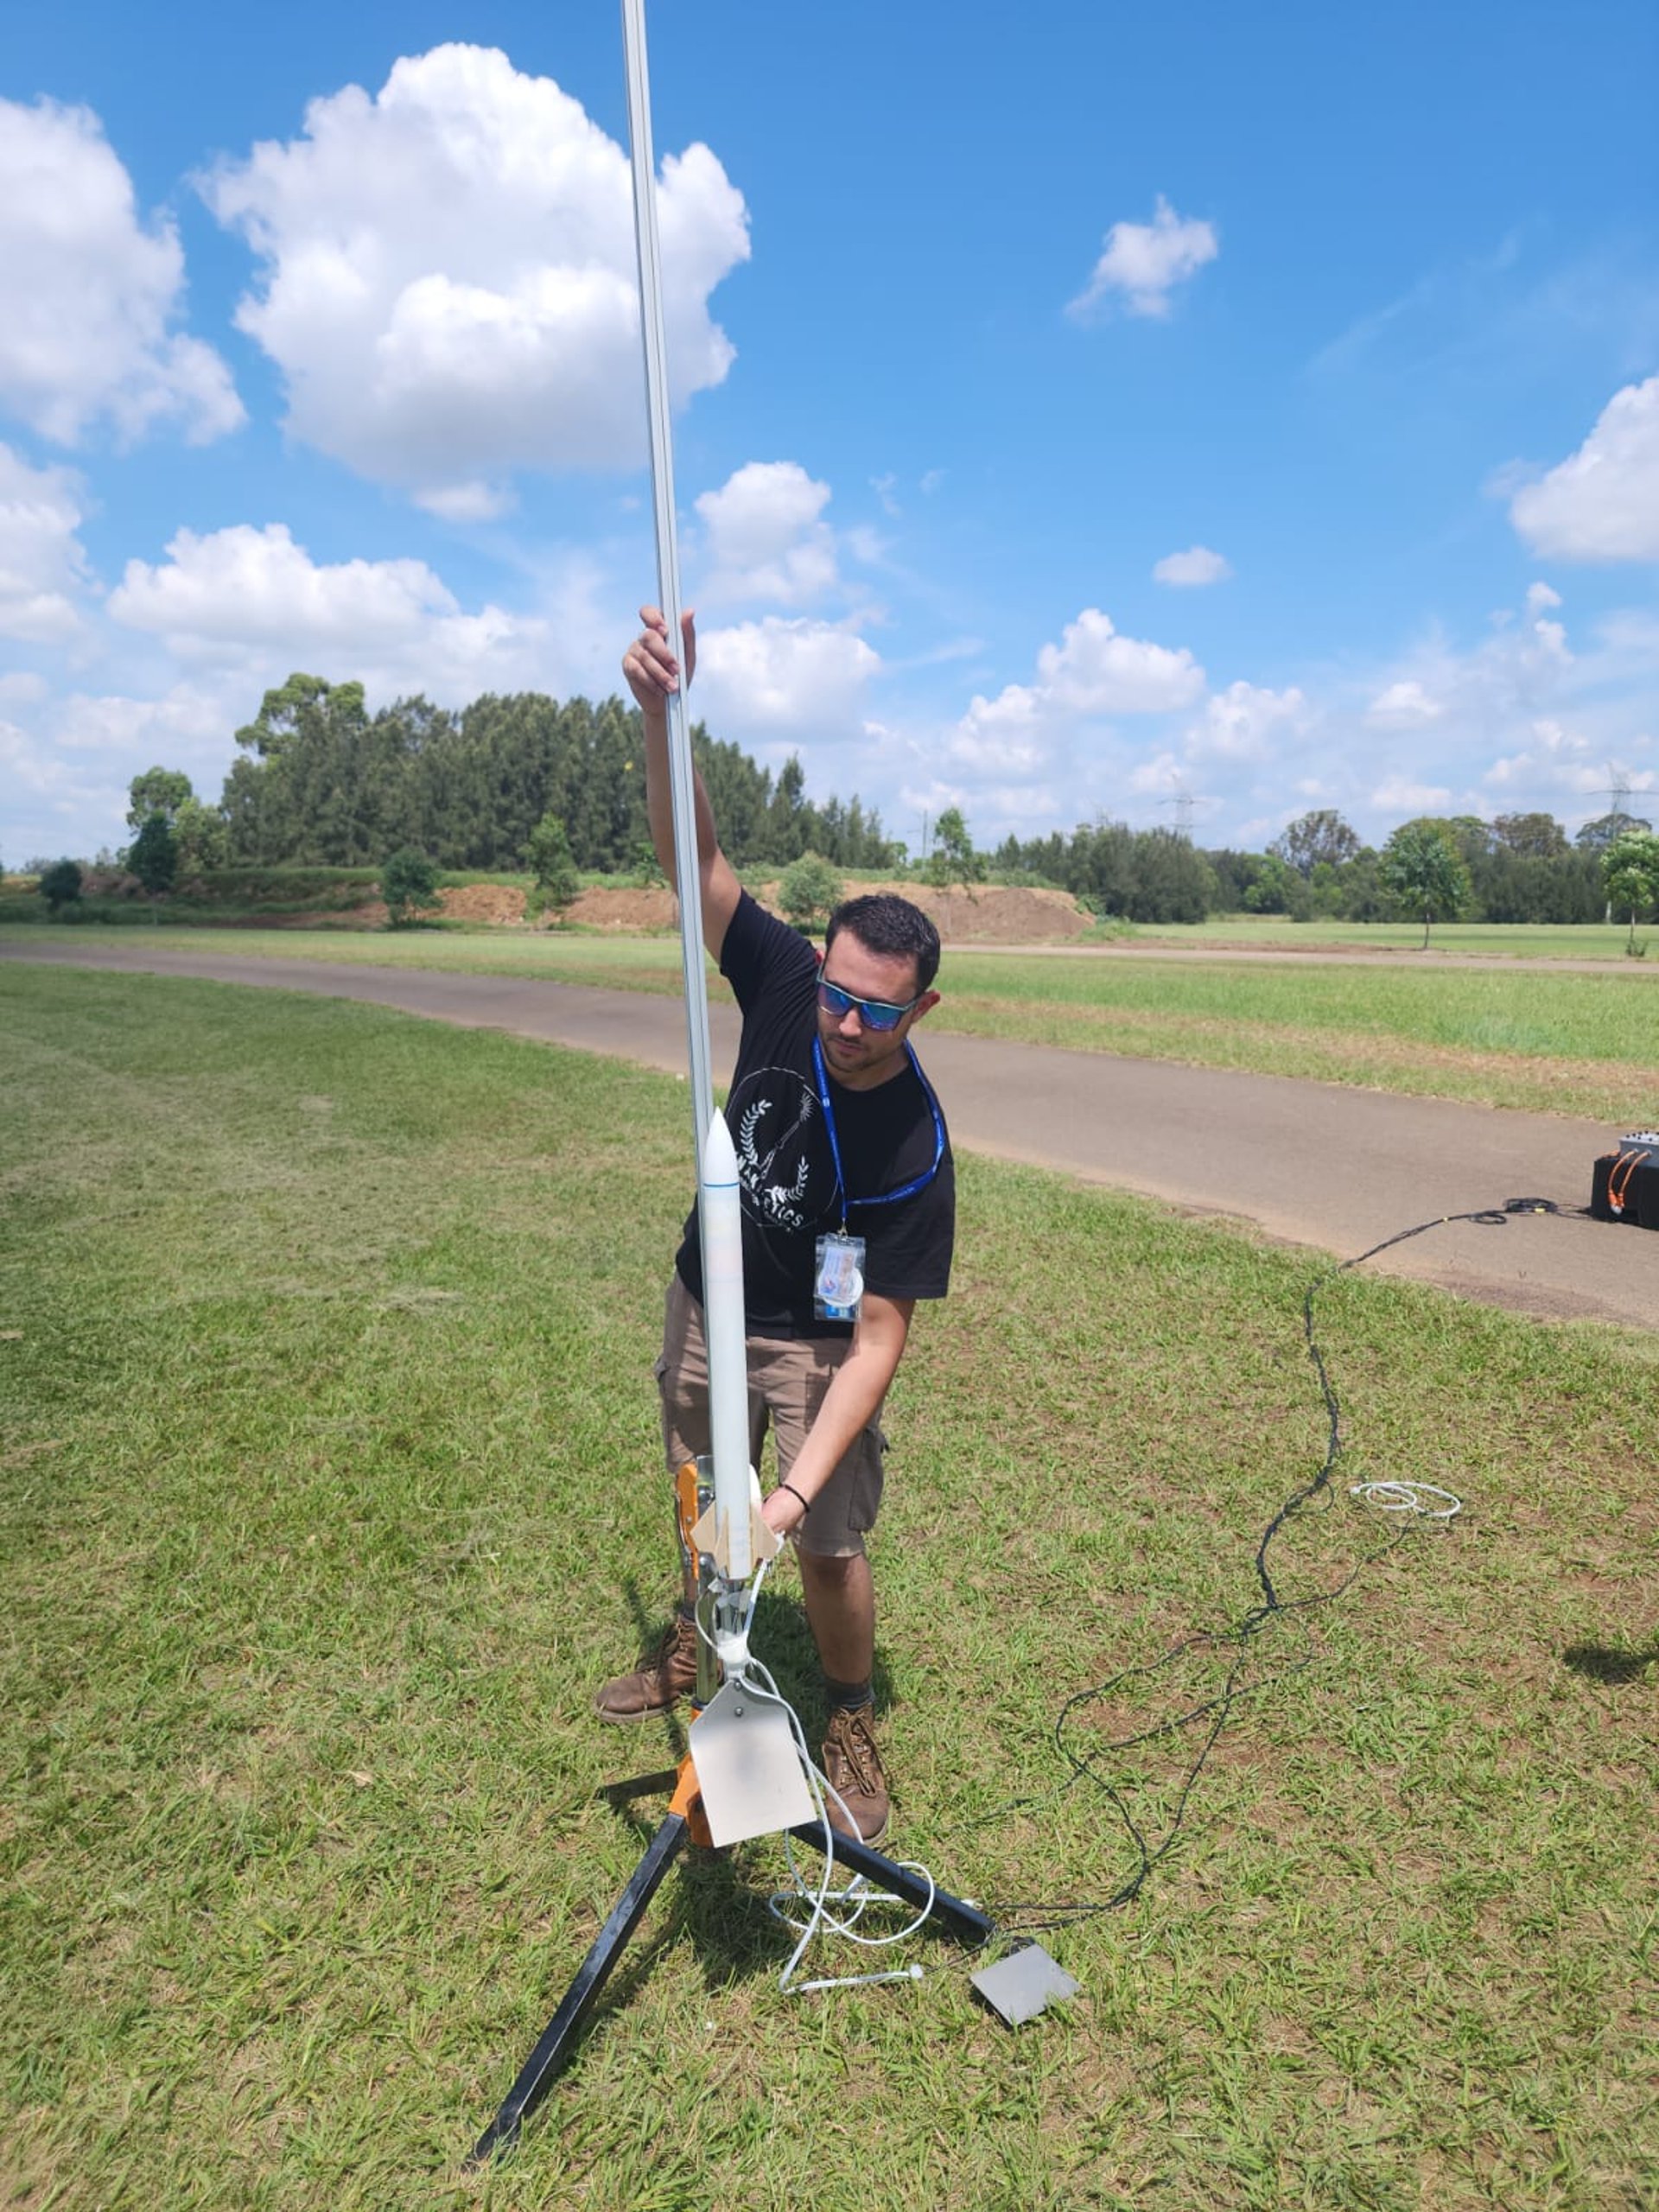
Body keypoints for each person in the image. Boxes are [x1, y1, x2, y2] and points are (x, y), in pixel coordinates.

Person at [594, 605, 956, 1846]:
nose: (847, 1026)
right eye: (841, 997)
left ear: (925, 1010)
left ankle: (848, 1717)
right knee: (700, 1484)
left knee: (825, 1545)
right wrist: (661, 715)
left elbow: (879, 1345)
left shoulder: (916, 1146)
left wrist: (792, 1497)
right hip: (711, 1298)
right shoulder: (787, 978)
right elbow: (694, 863)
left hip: (817, 1338)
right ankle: (693, 1643)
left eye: (881, 1013)